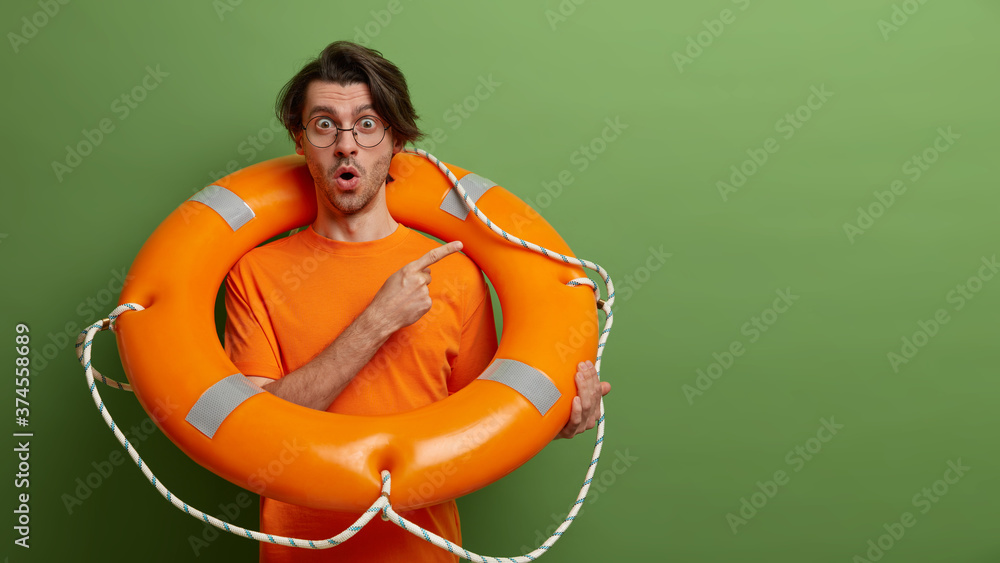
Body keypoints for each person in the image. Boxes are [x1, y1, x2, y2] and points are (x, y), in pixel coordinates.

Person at [223, 41, 611, 562]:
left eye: (366, 124)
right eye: (323, 124)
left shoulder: (454, 271)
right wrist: (376, 323)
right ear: (301, 140)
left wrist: (554, 422)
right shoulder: (254, 274)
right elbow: (257, 432)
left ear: (396, 140)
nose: (346, 145)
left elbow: (481, 425)